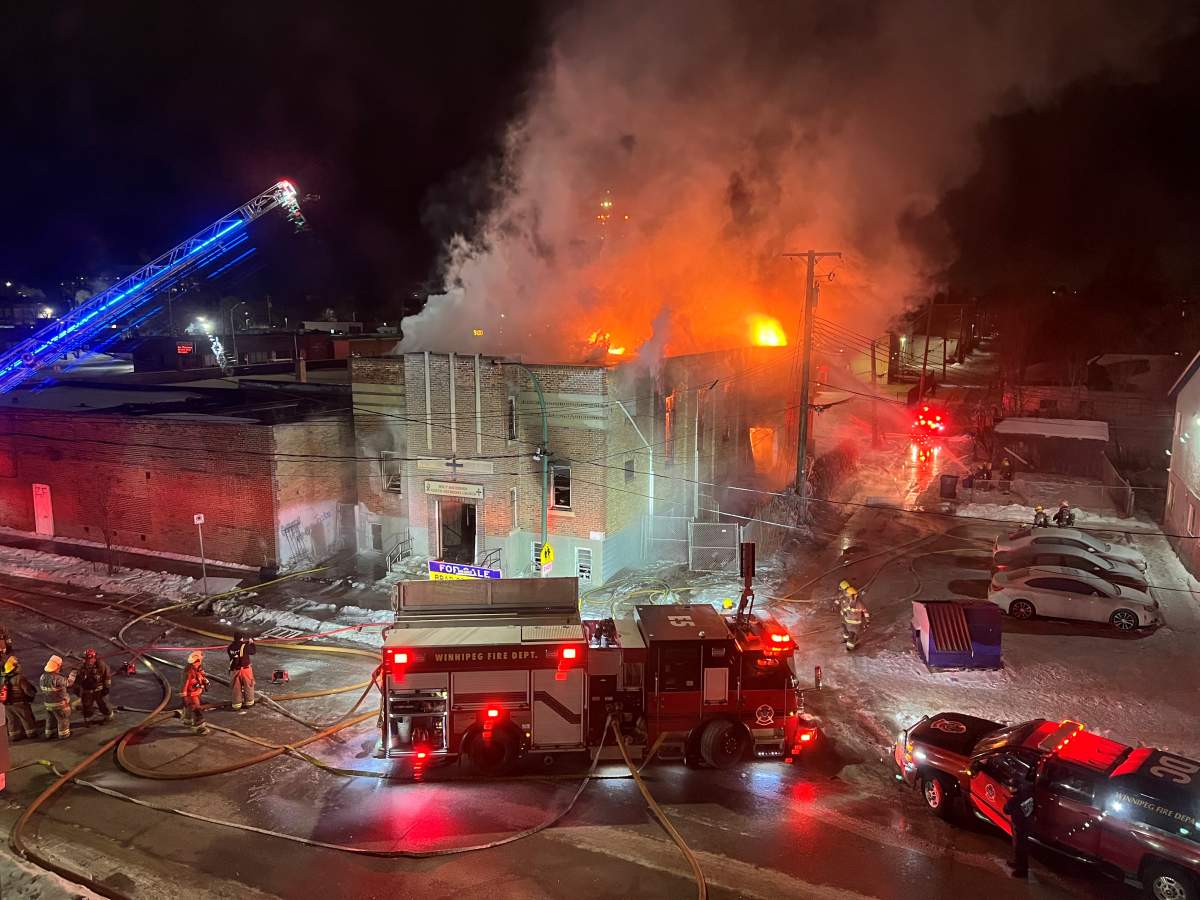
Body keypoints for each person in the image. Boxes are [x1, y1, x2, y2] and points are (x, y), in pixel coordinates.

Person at [1003, 772, 1037, 878]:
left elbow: (1006, 811)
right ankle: (1018, 864)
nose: (1009, 788)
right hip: (1027, 825)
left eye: (1011, 787)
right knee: (1022, 847)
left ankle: (1022, 871)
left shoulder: (1014, 800)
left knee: (1019, 848)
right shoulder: (1027, 794)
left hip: (1019, 826)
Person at [1, 656, 39, 741]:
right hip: (20, 703)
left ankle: (14, 735)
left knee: (12, 720)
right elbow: (27, 690)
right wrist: (32, 695)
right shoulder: (20, 678)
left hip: (7, 704)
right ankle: (31, 733)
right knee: (26, 718)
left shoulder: (3, 678)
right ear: (15, 667)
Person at [39, 655, 76, 740]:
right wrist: (73, 672)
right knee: (62, 719)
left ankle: (49, 733)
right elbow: (69, 683)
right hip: (60, 704)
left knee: (50, 719)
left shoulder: (42, 677)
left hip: (48, 704)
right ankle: (64, 734)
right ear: (57, 666)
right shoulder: (58, 678)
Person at [75, 648, 114, 724]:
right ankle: (89, 718)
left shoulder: (101, 665)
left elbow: (107, 677)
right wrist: (76, 688)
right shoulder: (81, 667)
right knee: (87, 705)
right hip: (87, 691)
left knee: (103, 704)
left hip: (99, 690)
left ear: (94, 658)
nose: (88, 660)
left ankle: (108, 717)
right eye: (86, 659)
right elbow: (77, 679)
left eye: (90, 658)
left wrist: (106, 687)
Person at [181, 650, 209, 735]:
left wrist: (205, 681)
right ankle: (199, 728)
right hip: (191, 694)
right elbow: (184, 686)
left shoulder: (197, 669)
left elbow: (201, 675)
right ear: (196, 661)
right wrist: (184, 697)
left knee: (190, 708)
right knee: (197, 710)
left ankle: (187, 720)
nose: (200, 663)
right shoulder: (189, 673)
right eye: (200, 661)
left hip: (196, 692)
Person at [227, 631, 256, 710]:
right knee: (248, 686)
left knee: (236, 688)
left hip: (235, 670)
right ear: (241, 638)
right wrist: (252, 643)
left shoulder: (230, 647)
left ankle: (236, 705)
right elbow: (253, 652)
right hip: (245, 670)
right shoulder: (245, 646)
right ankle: (249, 703)